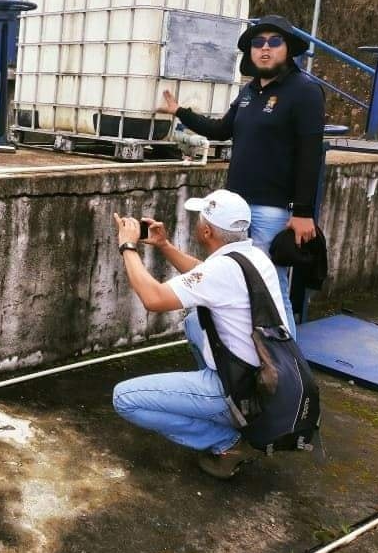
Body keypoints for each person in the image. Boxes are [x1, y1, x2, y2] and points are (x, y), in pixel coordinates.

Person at [159, 15, 325, 335]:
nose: (265, 48)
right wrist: (180, 112)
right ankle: (255, 357)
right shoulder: (250, 92)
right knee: (240, 283)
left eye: (274, 42)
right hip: (238, 210)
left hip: (271, 210)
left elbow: (310, 154)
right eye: (257, 43)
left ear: (288, 48)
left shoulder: (304, 91)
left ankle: (288, 367)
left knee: (270, 288)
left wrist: (303, 212)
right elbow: (221, 129)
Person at [111, 189, 290, 479]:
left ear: (206, 231)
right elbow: (203, 273)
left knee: (125, 399)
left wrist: (127, 248)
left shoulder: (222, 271)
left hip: (238, 389)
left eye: (200, 219)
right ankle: (221, 411)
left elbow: (153, 299)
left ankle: (227, 442)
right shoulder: (254, 255)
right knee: (195, 321)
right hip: (264, 379)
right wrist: (164, 245)